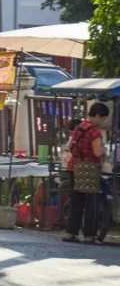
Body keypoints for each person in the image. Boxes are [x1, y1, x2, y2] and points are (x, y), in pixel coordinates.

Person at [63, 103, 109, 244]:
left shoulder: (79, 128)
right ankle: (89, 235)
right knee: (91, 203)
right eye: (103, 118)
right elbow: (97, 152)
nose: (103, 122)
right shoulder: (94, 132)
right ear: (97, 116)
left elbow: (69, 146)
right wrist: (104, 151)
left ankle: (71, 233)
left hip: (74, 167)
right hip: (89, 169)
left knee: (76, 201)